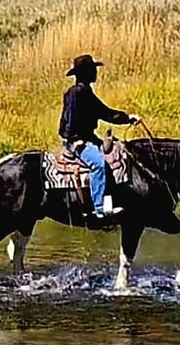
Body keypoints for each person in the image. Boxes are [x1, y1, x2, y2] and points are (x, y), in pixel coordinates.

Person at [58, 54, 139, 223]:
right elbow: (69, 118)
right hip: (77, 141)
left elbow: (105, 112)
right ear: (86, 72)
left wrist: (127, 118)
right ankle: (98, 208)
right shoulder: (76, 93)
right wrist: (75, 139)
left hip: (87, 137)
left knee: (117, 153)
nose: (96, 72)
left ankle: (114, 197)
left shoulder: (85, 91)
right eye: (93, 70)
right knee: (98, 164)